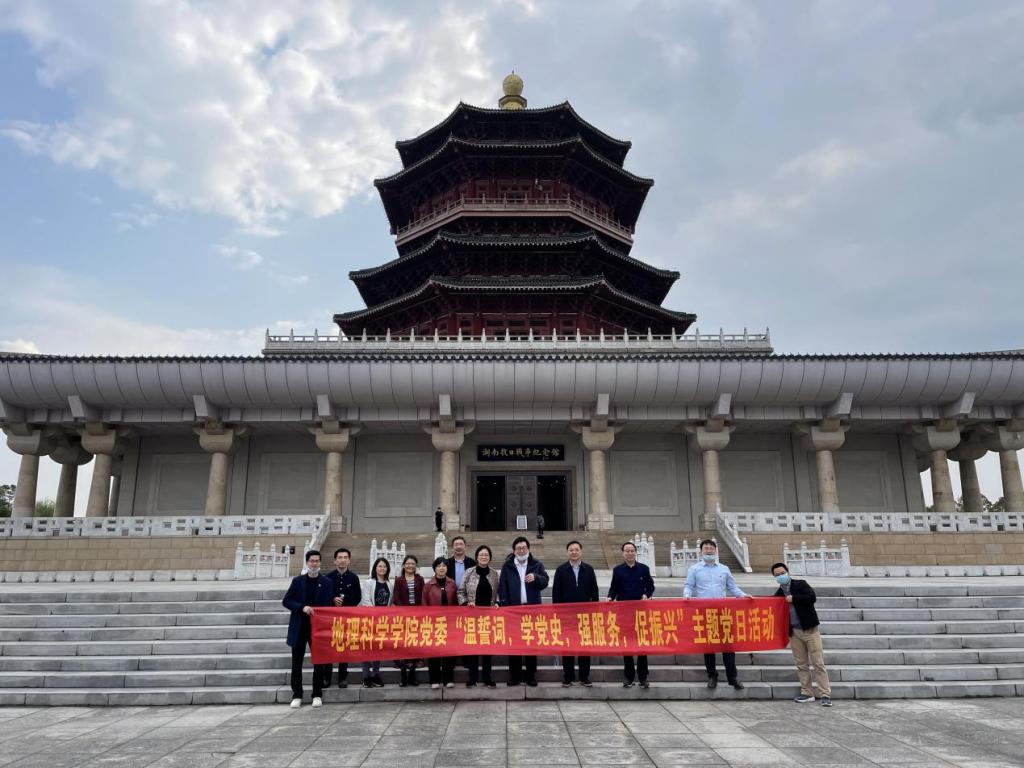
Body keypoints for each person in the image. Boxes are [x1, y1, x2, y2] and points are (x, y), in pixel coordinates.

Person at [684, 539, 754, 690]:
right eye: (706, 548)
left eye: (711, 548)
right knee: (709, 646)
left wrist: (743, 595)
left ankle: (732, 677)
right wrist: (687, 596)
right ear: (701, 551)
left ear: (715, 551)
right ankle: (712, 676)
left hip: (723, 612)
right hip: (705, 612)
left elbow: (732, 587)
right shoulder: (694, 569)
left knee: (728, 645)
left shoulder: (724, 569)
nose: (709, 550)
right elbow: (689, 585)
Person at [772, 562, 832, 706]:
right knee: (801, 664)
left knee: (818, 663)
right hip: (794, 633)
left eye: (782, 573)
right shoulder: (778, 594)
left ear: (787, 572)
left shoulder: (800, 584)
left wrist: (794, 598)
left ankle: (825, 694)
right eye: (777, 575)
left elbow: (812, 597)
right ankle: (807, 692)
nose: (781, 576)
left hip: (810, 630)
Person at [282, 549, 333, 708]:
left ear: (320, 562)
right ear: (307, 562)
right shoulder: (297, 581)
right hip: (299, 626)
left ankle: (317, 693)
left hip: (317, 628)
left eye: (317, 561)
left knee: (318, 661)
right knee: (296, 662)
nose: (314, 564)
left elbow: (328, 605)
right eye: (312, 561)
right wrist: (302, 607)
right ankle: (297, 694)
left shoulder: (326, 582)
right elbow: (287, 601)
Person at [497, 536, 548, 686]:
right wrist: (505, 606)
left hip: (531, 610)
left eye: (524, 548)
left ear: (528, 549)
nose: (521, 551)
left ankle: (531, 675)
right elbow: (502, 587)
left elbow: (545, 581)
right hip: (514, 611)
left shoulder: (536, 564)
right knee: (514, 643)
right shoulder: (507, 566)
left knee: (531, 643)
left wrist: (536, 577)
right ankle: (515, 675)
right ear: (514, 550)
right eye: (518, 548)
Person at [608, 541, 655, 688]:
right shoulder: (618, 570)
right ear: (623, 553)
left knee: (642, 645)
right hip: (624, 613)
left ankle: (643, 677)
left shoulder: (644, 569)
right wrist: (610, 597)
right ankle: (629, 676)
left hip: (641, 613)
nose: (629, 553)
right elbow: (614, 588)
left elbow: (650, 586)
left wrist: (647, 595)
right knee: (626, 644)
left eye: (632, 551)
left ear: (635, 552)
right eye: (627, 551)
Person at [552, 540, 599, 686]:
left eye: (576, 549)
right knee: (568, 646)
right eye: (571, 550)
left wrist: (595, 611)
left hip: (585, 616)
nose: (574, 552)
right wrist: (558, 613)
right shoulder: (561, 570)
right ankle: (568, 676)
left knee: (585, 647)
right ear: (567, 552)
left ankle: (584, 676)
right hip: (567, 616)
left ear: (581, 551)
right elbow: (556, 593)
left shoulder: (589, 569)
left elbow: (594, 591)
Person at [458, 544, 500, 688]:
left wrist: (497, 603)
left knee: (488, 648)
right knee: (472, 647)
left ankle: (487, 677)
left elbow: (498, 592)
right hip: (472, 616)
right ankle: (473, 678)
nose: (484, 557)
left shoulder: (494, 574)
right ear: (476, 557)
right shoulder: (469, 572)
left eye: (486, 555)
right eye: (481, 554)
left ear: (490, 558)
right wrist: (466, 603)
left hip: (489, 617)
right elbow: (460, 592)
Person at [325, 547, 361, 688]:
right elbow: (323, 596)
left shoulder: (354, 578)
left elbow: (357, 597)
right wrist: (332, 599)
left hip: (347, 618)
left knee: (344, 647)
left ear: (349, 560)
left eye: (345, 557)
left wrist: (344, 603)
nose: (342, 560)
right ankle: (326, 677)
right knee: (329, 648)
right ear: (335, 561)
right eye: (340, 557)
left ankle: (342, 677)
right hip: (330, 618)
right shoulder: (327, 577)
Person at [424, 556, 458, 688]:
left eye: (444, 566)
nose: (441, 568)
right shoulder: (428, 585)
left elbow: (456, 602)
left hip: (449, 623)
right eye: (438, 566)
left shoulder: (452, 584)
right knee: (434, 651)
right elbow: (424, 604)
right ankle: (434, 680)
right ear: (435, 568)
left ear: (447, 568)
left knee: (449, 651)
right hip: (433, 623)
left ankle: (448, 679)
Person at [391, 554, 424, 687]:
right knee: (404, 644)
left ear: (416, 566)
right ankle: (403, 676)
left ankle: (412, 676)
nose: (410, 566)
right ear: (404, 565)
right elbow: (396, 597)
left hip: (417, 616)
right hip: (403, 616)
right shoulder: (399, 580)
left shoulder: (420, 579)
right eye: (408, 563)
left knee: (414, 644)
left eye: (413, 564)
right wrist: (404, 612)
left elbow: (422, 595)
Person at [359, 557, 391, 688]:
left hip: (382, 622)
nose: (382, 568)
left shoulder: (389, 584)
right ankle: (366, 676)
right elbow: (366, 602)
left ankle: (375, 674)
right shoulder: (368, 583)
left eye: (384, 566)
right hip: (369, 620)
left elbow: (390, 603)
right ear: (375, 568)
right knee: (367, 648)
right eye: (380, 566)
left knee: (378, 648)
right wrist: (376, 615)